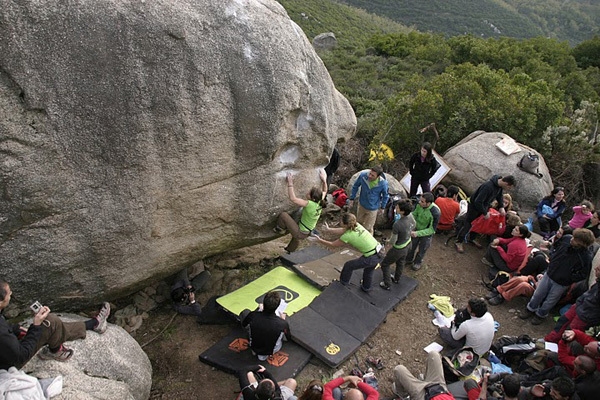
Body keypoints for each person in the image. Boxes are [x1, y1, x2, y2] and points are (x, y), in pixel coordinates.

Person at [0, 279, 110, 369]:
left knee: (48, 324)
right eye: (8, 292)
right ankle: (56, 349)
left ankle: (92, 324)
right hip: (8, 365)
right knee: (49, 323)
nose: (11, 293)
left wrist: (17, 329)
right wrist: (36, 326)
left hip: (5, 353)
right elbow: (20, 356)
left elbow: (5, 330)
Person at [520, 228, 595, 325]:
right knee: (538, 293)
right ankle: (530, 309)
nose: (572, 239)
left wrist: (568, 278)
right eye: (573, 236)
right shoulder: (566, 238)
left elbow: (583, 274)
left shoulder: (586, 257)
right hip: (550, 273)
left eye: (576, 239)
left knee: (550, 300)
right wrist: (552, 257)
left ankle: (540, 315)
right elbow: (555, 245)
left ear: (582, 243)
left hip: (562, 283)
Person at [316, 213, 384, 292]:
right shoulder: (357, 225)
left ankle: (342, 284)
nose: (340, 222)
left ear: (345, 224)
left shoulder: (347, 236)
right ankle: (366, 287)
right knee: (369, 270)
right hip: (380, 252)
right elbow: (342, 230)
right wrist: (329, 229)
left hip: (371, 257)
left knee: (348, 266)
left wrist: (319, 240)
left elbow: (333, 245)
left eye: (341, 221)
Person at [454, 175, 516, 253]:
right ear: (506, 183)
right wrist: (485, 212)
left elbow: (499, 196)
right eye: (509, 187)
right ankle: (459, 241)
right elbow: (478, 201)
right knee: (468, 223)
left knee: (479, 223)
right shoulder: (488, 186)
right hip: (474, 207)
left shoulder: (499, 187)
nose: (508, 189)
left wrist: (501, 207)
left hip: (484, 206)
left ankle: (472, 238)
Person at [544, 262, 600, 343]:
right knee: (562, 322)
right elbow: (587, 295)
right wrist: (578, 303)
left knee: (569, 334)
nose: (595, 269)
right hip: (578, 307)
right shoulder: (597, 283)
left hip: (585, 317)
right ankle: (549, 340)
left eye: (598, 269)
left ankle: (557, 349)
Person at [275, 169, 328, 253]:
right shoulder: (320, 201)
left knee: (283, 215)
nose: (307, 192)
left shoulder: (309, 204)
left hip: (301, 232)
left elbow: (293, 199)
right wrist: (324, 180)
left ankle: (280, 229)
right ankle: (289, 251)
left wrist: (290, 184)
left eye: (309, 193)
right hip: (307, 232)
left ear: (312, 198)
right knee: (296, 237)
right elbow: (325, 191)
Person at [240, 291, 291, 361]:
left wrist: (260, 310)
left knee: (245, 312)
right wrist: (283, 319)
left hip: (254, 346)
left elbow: (244, 324)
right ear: (278, 306)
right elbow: (288, 338)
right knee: (286, 323)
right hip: (272, 350)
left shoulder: (253, 315)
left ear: (263, 303)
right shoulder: (282, 323)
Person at [379, 200, 416, 290]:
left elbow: (393, 241)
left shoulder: (397, 224)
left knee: (385, 264)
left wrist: (387, 241)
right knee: (401, 262)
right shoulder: (410, 215)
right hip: (408, 244)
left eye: (398, 207)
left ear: (402, 211)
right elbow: (414, 224)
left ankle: (387, 284)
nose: (395, 207)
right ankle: (396, 278)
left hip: (398, 249)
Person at [348, 166, 389, 234]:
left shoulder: (383, 183)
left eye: (373, 175)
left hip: (373, 208)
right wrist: (352, 198)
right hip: (361, 204)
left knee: (368, 227)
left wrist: (382, 207)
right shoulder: (363, 176)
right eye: (370, 173)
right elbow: (355, 186)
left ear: (378, 176)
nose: (370, 176)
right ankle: (357, 238)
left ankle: (368, 242)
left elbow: (385, 195)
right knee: (359, 222)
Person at [406, 192, 440, 271]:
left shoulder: (435, 213)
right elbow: (414, 214)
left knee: (422, 249)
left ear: (428, 203)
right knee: (411, 245)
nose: (419, 202)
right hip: (417, 228)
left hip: (426, 233)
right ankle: (408, 259)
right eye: (420, 200)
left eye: (422, 201)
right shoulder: (419, 205)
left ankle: (417, 262)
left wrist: (418, 233)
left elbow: (432, 229)